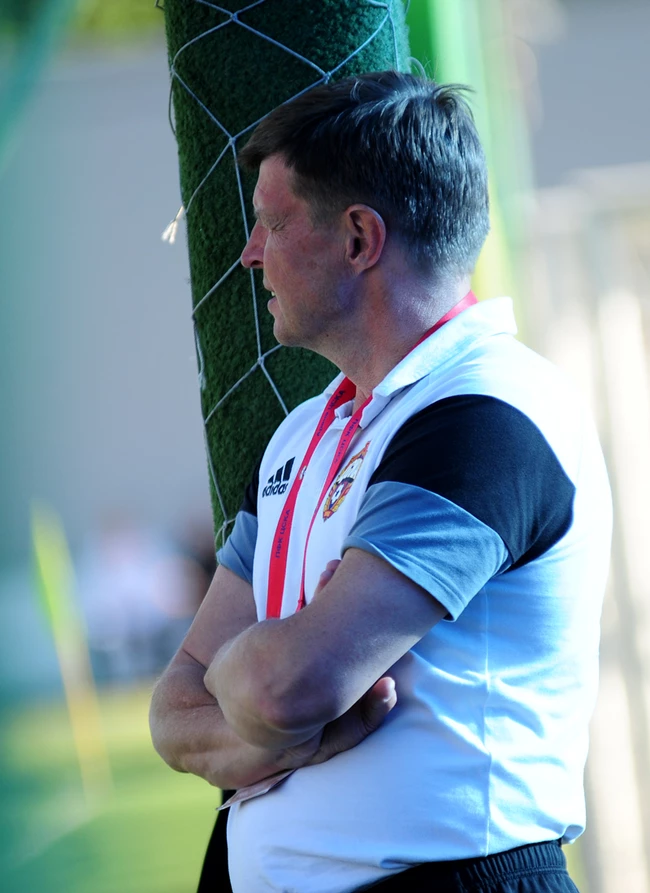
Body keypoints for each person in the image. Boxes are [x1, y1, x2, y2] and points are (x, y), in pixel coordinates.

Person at [149, 71, 612, 893]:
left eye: (272, 222)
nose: (250, 252)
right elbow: (173, 710)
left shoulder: (487, 411)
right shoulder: (303, 432)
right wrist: (281, 732)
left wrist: (255, 680)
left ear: (360, 238)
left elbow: (287, 685)